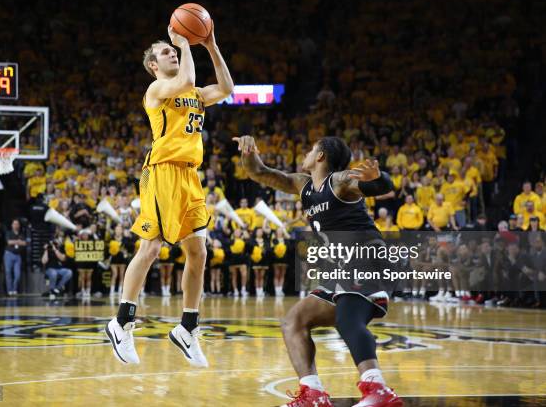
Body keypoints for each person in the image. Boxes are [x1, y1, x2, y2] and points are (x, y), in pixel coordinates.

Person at [234, 135, 402, 407]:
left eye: (312, 149)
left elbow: (378, 186)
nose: (307, 153)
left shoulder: (339, 181)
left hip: (365, 257)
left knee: (348, 320)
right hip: (340, 269)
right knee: (294, 321)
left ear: (321, 156)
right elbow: (259, 172)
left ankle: (378, 389)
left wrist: (379, 178)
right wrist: (248, 152)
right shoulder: (303, 185)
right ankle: (313, 394)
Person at [106, 23, 234, 367]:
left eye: (174, 50)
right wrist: (183, 40)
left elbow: (227, 87)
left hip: (190, 175)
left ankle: (187, 328)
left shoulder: (194, 93)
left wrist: (210, 43)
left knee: (199, 251)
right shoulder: (157, 89)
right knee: (150, 248)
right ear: (153, 65)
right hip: (162, 171)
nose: (173, 52)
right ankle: (121, 322)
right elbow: (185, 81)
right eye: (166, 51)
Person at [4, 219, 26, 296]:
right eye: (14, 224)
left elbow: (24, 243)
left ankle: (14, 289)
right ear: (12, 225)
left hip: (17, 255)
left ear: (19, 225)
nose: (16, 225)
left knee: (17, 274)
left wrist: (17, 242)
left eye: (17, 224)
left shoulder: (21, 234)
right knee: (8, 272)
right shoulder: (9, 233)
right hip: (9, 254)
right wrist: (18, 242)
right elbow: (9, 242)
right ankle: (9, 290)